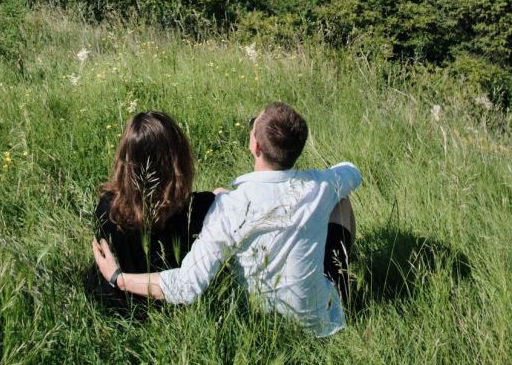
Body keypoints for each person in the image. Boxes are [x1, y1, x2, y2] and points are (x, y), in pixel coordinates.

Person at [91, 101, 361, 337]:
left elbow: (185, 283)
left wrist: (117, 278)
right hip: (317, 317)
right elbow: (351, 171)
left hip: (254, 318)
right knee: (341, 200)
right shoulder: (319, 186)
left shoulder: (106, 208)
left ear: (254, 145)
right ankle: (343, 283)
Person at [84, 110, 216, 316]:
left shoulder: (108, 208)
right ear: (178, 160)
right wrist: (217, 197)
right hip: (171, 305)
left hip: (117, 304)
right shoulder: (198, 209)